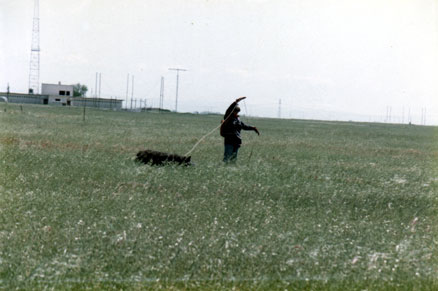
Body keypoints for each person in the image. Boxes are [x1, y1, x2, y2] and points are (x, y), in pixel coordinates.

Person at [220, 97, 259, 163]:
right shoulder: (228, 117)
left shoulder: (238, 119)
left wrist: (253, 128)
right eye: (235, 111)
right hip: (229, 141)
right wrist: (236, 101)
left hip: (237, 141)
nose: (236, 113)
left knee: (233, 160)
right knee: (226, 158)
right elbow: (228, 110)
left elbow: (244, 126)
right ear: (233, 111)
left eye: (237, 111)